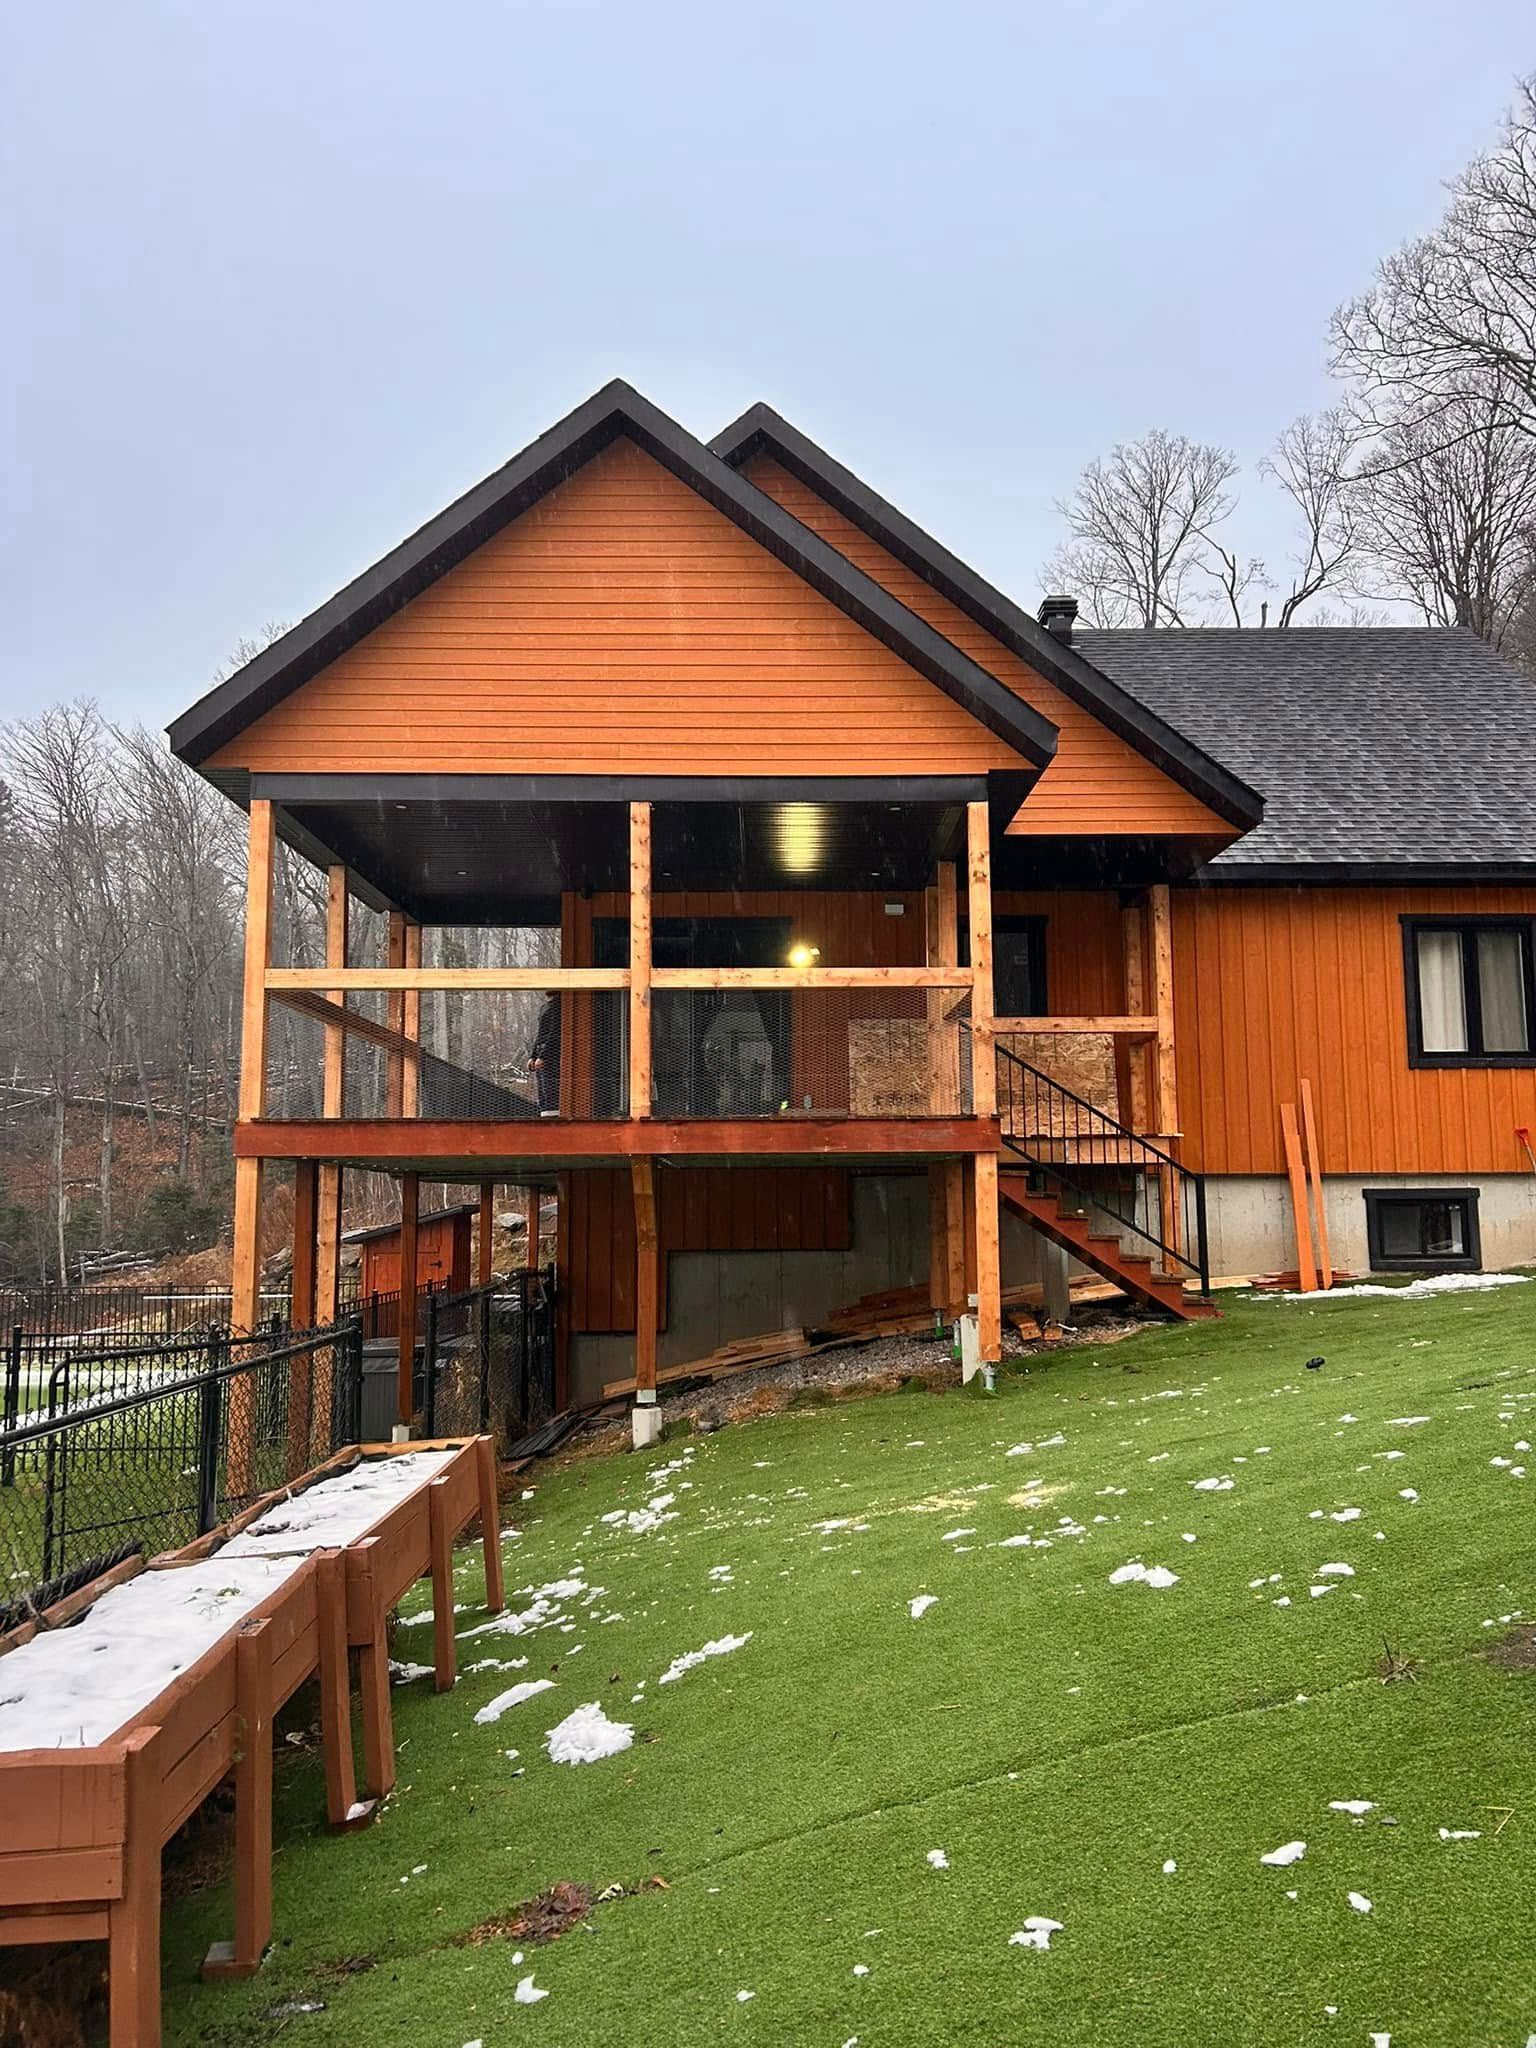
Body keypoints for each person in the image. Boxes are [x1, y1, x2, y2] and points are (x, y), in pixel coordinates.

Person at [529, 994, 561, 1115]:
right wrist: (533, 1056)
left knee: (551, 1090)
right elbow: (541, 1033)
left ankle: (552, 1117)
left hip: (552, 1056)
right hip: (541, 1054)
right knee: (543, 1091)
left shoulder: (559, 1006)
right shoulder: (545, 1007)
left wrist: (543, 1056)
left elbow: (555, 1033)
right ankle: (545, 1114)